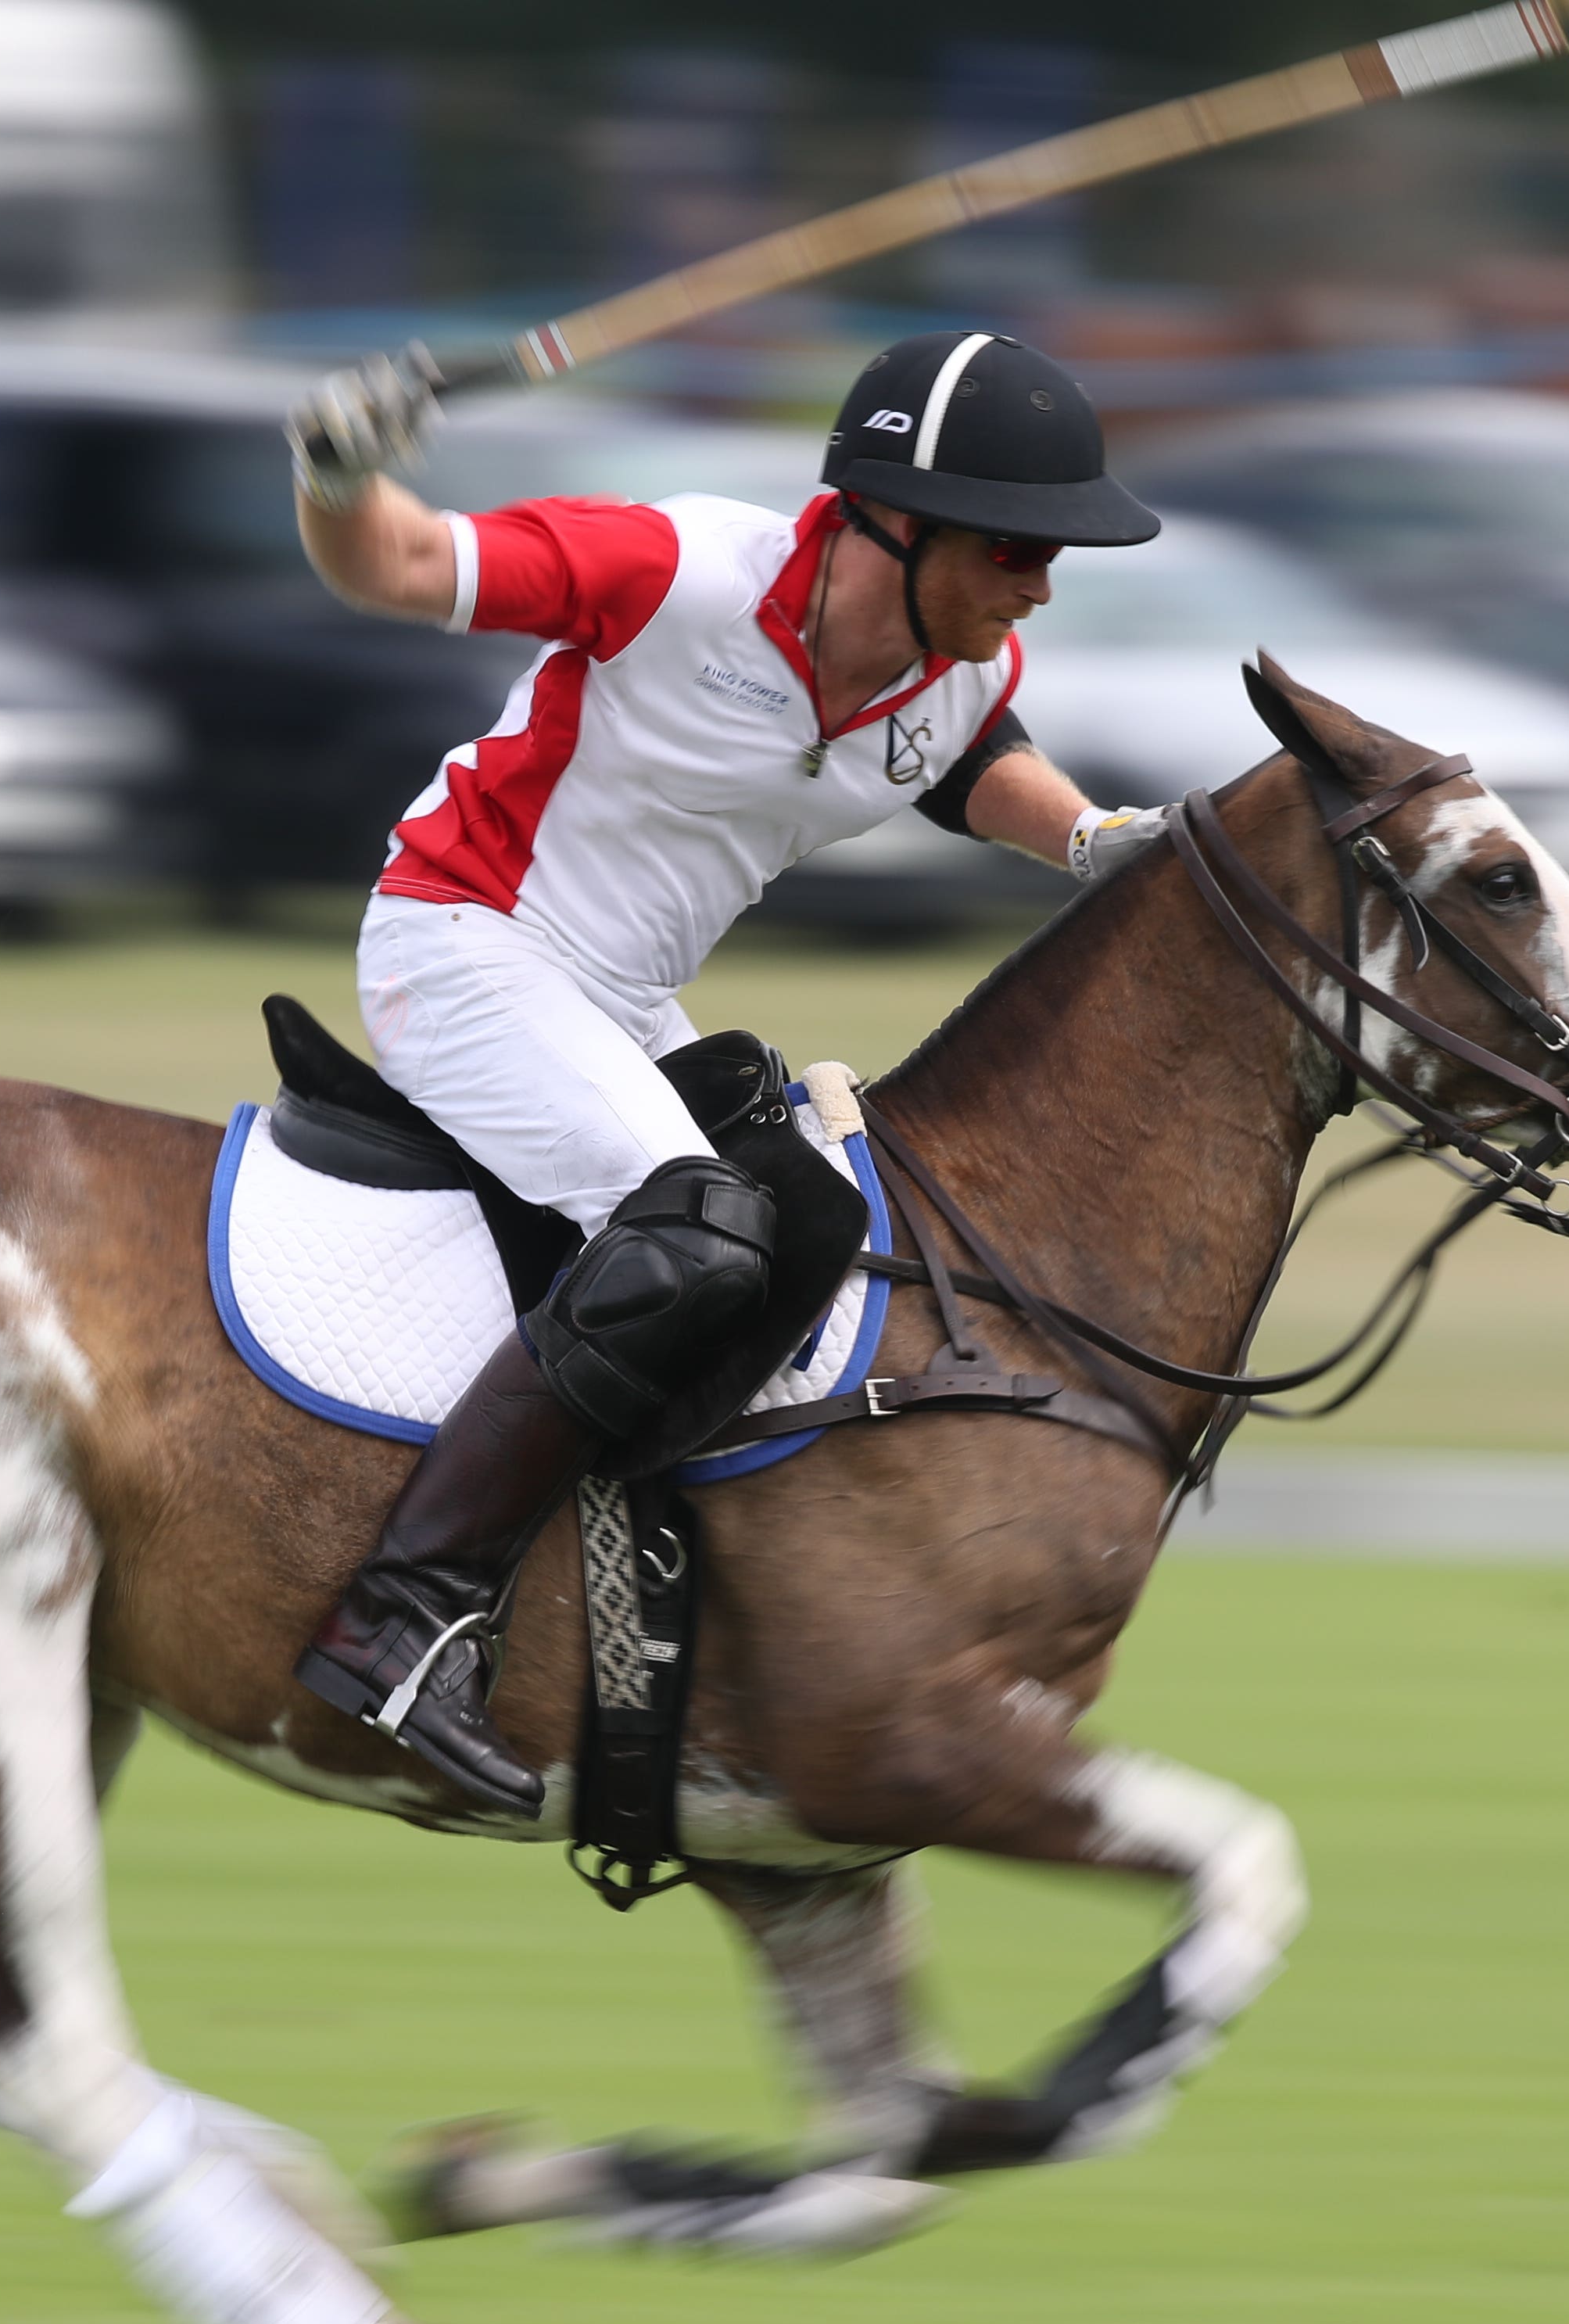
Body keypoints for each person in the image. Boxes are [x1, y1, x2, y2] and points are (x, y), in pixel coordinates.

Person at [284, 328, 1167, 1817]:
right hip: (468, 940)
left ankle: (644, 1590)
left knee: (816, 1229)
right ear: (897, 519)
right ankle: (401, 1619)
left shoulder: (961, 663)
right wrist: (334, 467)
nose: (1042, 584)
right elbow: (396, 565)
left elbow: (965, 763)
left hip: (619, 997)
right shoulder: (671, 571)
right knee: (696, 1229)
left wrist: (1082, 837)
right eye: (1019, 547)